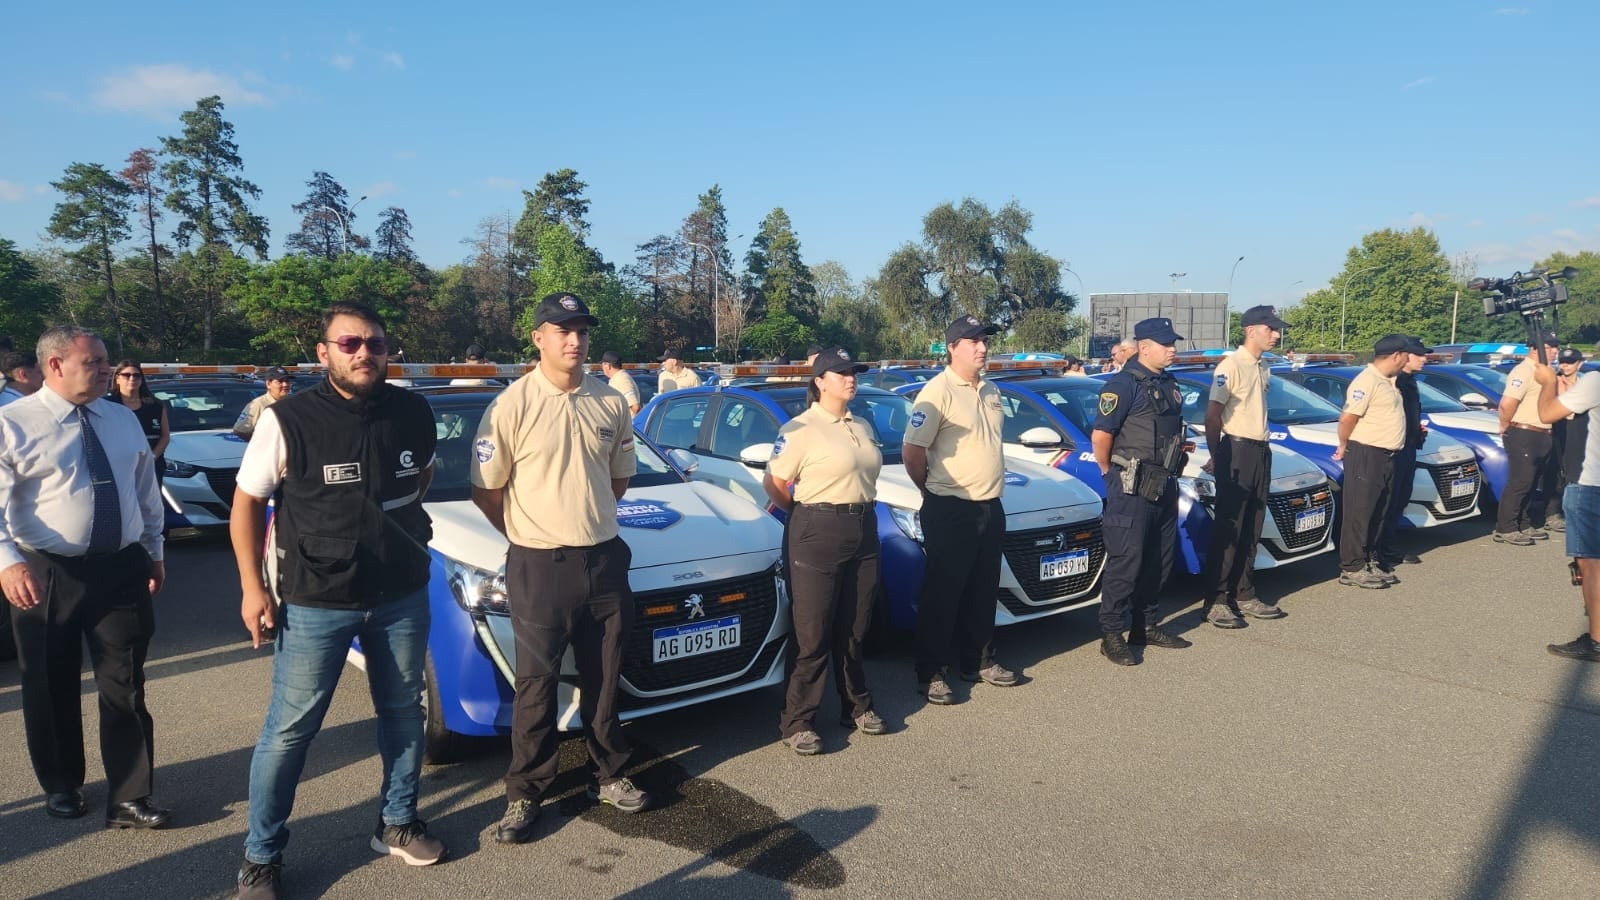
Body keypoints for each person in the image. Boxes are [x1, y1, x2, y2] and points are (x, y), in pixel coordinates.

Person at [230, 302, 445, 898]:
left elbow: (420, 476)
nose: (364, 353)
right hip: (317, 598)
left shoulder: (414, 410)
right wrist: (253, 588)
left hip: (401, 594)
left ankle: (397, 824)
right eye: (349, 343)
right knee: (290, 731)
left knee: (404, 713)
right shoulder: (288, 419)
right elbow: (246, 505)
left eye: (374, 343)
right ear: (323, 353)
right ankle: (261, 857)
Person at [471, 292, 651, 846]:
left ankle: (609, 774)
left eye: (581, 330)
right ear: (538, 339)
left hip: (603, 557)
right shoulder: (511, 404)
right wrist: (529, 535)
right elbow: (486, 489)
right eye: (561, 329)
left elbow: (619, 479)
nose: (574, 340)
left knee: (603, 674)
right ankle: (526, 791)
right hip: (538, 563)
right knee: (536, 683)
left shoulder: (610, 402)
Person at [0, 326, 168, 826]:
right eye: (93, 361)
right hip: (45, 571)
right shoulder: (13, 423)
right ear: (54, 365)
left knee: (126, 683)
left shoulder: (120, 419)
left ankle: (130, 796)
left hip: (120, 567)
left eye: (105, 360)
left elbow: (144, 491)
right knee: (49, 683)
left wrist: (153, 550)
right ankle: (62, 784)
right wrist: (7, 560)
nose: (107, 369)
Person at [762, 347, 886, 755]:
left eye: (854, 371)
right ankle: (798, 721)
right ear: (819, 381)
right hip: (817, 528)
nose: (851, 378)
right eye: (841, 373)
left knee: (854, 624)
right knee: (812, 631)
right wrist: (806, 512)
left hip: (864, 524)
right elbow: (775, 484)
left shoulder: (862, 424)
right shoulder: (801, 428)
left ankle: (856, 705)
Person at [903, 314, 1019, 703]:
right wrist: (933, 491)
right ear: (952, 348)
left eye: (984, 340)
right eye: (973, 341)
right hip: (950, 507)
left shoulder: (990, 390)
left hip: (990, 505)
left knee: (984, 590)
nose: (983, 347)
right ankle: (931, 672)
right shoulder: (936, 393)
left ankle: (979, 662)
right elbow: (913, 451)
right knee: (943, 594)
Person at [1092, 317, 1194, 665]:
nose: (1173, 349)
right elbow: (1101, 436)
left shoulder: (1168, 383)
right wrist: (1110, 473)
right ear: (1144, 347)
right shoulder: (1123, 384)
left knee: (1159, 560)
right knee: (1127, 561)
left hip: (1163, 483)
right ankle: (1111, 634)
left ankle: (1145, 625)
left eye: (1173, 343)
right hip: (1130, 487)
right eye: (1166, 344)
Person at [1199, 305, 1291, 629]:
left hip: (1260, 451)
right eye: (1271, 329)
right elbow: (1212, 416)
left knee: (1252, 524)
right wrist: (1218, 456)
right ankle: (1217, 600)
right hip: (1236, 450)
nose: (1276, 335)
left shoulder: (1262, 366)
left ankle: (1244, 592)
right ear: (1251, 330)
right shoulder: (1231, 366)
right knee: (1230, 529)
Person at [1532, 356, 1600, 661]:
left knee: (1591, 565)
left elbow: (1547, 414)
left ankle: (1597, 640)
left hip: (1590, 483)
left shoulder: (1595, 382)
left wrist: (1548, 383)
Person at [1334, 335, 1411, 589]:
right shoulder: (1367, 381)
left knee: (1380, 510)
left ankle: (1370, 558)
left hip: (1387, 455)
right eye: (1406, 354)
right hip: (1366, 453)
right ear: (1396, 355)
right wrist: (1344, 445)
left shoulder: (1389, 381)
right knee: (1360, 511)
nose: (1409, 359)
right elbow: (1347, 418)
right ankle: (1352, 566)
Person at [1495, 333, 1562, 545]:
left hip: (1542, 432)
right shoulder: (1523, 371)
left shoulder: (1545, 371)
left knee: (1532, 482)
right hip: (1524, 431)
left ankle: (1523, 523)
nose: (1554, 352)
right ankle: (1505, 528)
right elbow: (1507, 403)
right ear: (1535, 348)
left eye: (1555, 348)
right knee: (1520, 481)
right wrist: (1505, 424)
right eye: (1550, 347)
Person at [1375, 338, 1431, 570]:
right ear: (1406, 355)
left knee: (1400, 499)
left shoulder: (1410, 381)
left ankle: (1388, 545)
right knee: (1387, 501)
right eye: (1420, 355)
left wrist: (1416, 429)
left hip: (1408, 446)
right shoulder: (1394, 381)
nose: (1424, 359)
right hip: (1393, 448)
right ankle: (1378, 550)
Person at [233, 367, 293, 438]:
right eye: (280, 381)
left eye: (287, 381)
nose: (285, 384)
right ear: (268, 384)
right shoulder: (258, 405)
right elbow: (239, 431)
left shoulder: (293, 403)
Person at [600, 351, 641, 415]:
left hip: (627, 424)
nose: (602, 368)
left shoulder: (621, 379)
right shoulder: (617, 378)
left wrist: (628, 423)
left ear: (608, 366)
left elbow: (635, 407)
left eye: (603, 364)